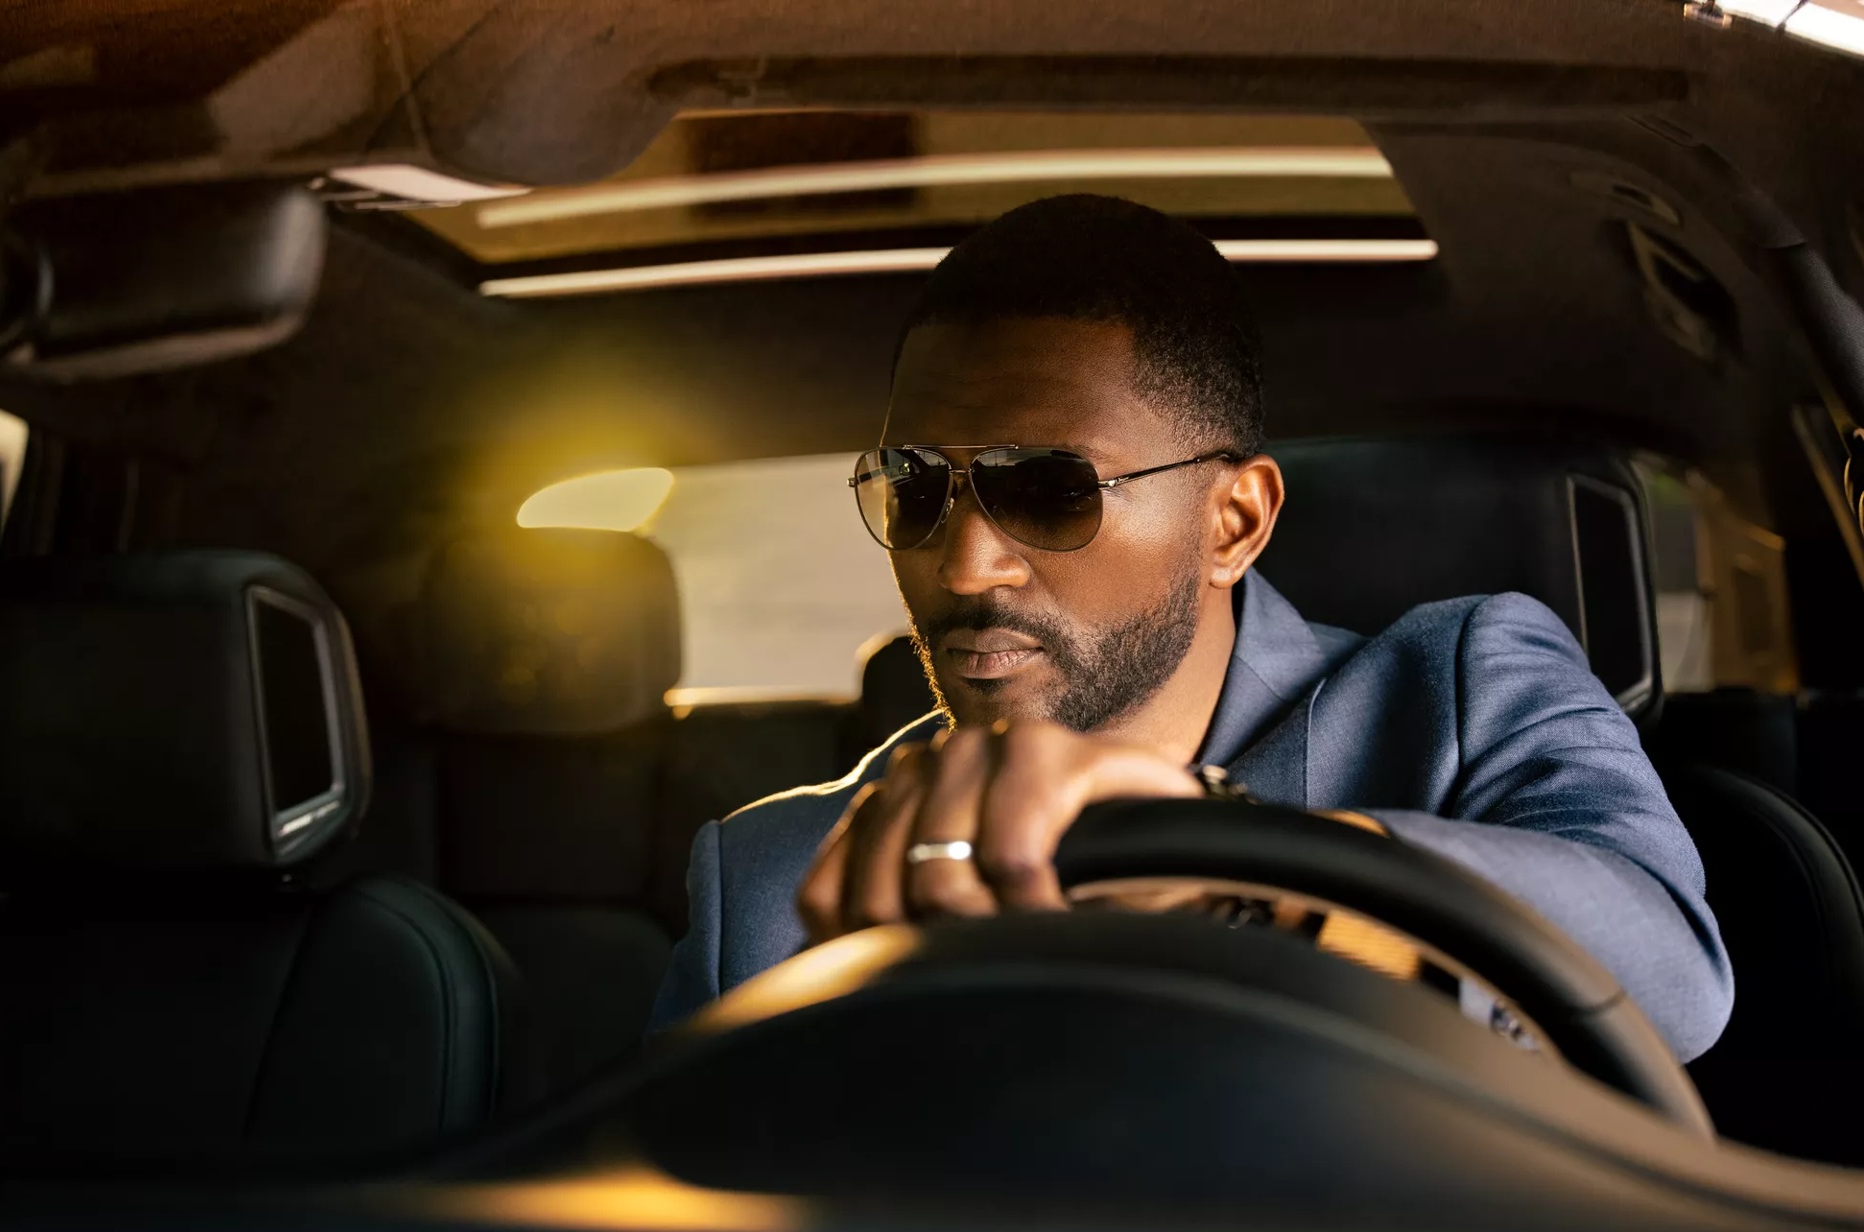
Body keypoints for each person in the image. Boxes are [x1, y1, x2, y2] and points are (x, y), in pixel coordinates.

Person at [650, 194, 1732, 1061]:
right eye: (914, 487)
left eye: (1049, 489)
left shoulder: (1457, 689)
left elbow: (1673, 983)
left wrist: (1240, 864)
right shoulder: (769, 876)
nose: (963, 562)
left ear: (1233, 520)